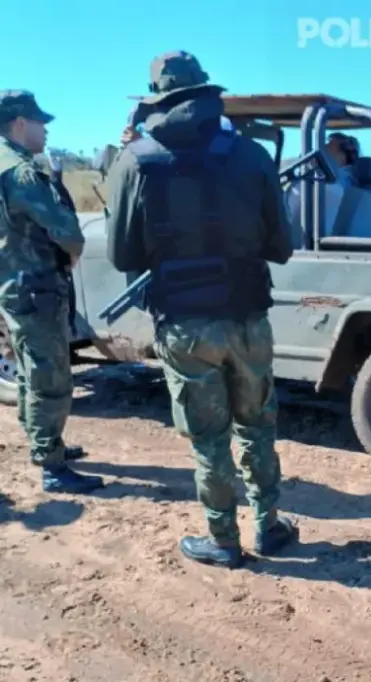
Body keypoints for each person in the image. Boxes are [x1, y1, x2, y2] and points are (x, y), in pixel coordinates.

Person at [105, 51, 296, 568]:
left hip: (186, 327)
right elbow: (282, 247)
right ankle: (269, 527)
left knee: (208, 438)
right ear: (208, 94)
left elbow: (122, 254)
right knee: (257, 425)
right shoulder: (253, 155)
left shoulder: (135, 160)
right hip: (249, 319)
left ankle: (224, 542)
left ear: (157, 98)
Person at [0, 90, 103, 493]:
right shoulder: (22, 172)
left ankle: (45, 445)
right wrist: (72, 255)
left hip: (13, 285)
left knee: (29, 369)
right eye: (41, 123)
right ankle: (51, 466)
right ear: (20, 124)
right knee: (51, 377)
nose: (45, 130)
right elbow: (66, 232)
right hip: (37, 285)